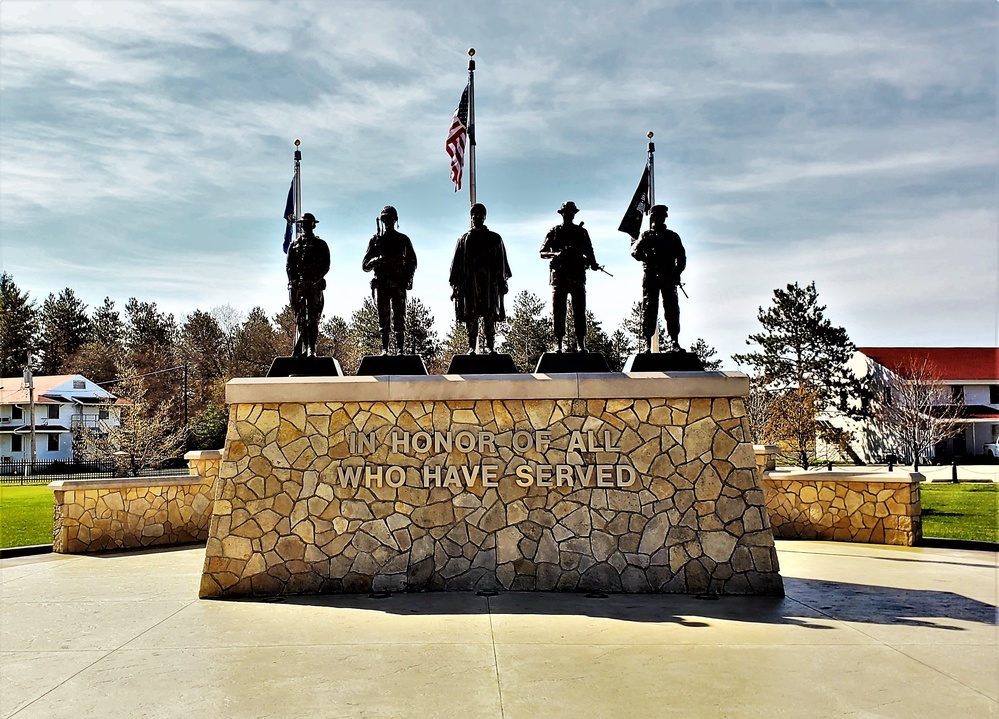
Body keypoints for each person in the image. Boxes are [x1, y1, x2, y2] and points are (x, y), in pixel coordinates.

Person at [449, 203, 512, 354]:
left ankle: (490, 346)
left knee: (490, 315)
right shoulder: (463, 239)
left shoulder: (495, 238)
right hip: (470, 283)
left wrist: (503, 282)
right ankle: (471, 346)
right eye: (474, 215)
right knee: (471, 315)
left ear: (484, 217)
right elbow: (456, 264)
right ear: (471, 218)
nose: (476, 217)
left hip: (489, 283)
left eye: (480, 215)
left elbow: (501, 262)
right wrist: (455, 286)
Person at [540, 201, 601, 353]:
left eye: (571, 212)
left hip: (577, 276)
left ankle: (581, 344)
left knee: (579, 311)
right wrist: (557, 254)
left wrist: (593, 263)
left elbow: (590, 251)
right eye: (566, 212)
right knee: (558, 312)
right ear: (562, 214)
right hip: (559, 277)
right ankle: (559, 344)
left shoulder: (581, 232)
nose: (569, 215)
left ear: (574, 214)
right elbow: (542, 252)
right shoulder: (554, 232)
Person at [362, 206, 418, 354]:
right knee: (383, 318)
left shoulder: (403, 240)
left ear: (395, 220)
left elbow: (412, 262)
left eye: (390, 219)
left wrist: (407, 278)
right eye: (385, 219)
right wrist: (377, 260)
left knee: (400, 318)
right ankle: (385, 349)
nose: (387, 222)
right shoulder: (375, 240)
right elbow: (365, 265)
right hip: (382, 283)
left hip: (398, 283)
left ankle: (400, 349)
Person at [631, 205, 686, 353]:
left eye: (662, 217)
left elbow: (681, 257)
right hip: (651, 278)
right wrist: (646, 257)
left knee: (672, 310)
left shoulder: (672, 236)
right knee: (649, 309)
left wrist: (677, 272)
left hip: (668, 277)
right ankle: (647, 343)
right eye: (658, 217)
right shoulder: (646, 236)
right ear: (653, 218)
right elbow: (634, 252)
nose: (660, 219)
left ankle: (674, 341)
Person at [286, 212, 331, 357]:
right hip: (298, 286)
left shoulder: (320, 244)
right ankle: (302, 347)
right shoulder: (294, 245)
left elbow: (326, 265)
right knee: (300, 318)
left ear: (313, 225)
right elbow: (289, 266)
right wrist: (293, 280)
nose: (306, 226)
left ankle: (312, 348)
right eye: (303, 223)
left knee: (312, 319)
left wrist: (315, 279)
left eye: (308, 223)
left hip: (314, 285)